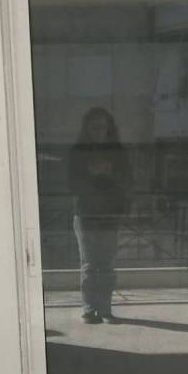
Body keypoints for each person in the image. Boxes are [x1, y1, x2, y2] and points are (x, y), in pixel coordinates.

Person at [68, 107, 130, 324]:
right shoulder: (77, 152)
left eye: (102, 127)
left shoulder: (118, 152)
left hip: (110, 215)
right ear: (86, 128)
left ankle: (104, 309)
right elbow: (71, 184)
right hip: (86, 215)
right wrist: (93, 175)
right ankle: (89, 309)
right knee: (89, 264)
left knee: (106, 265)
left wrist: (109, 174)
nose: (98, 131)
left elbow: (127, 181)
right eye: (94, 127)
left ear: (109, 128)